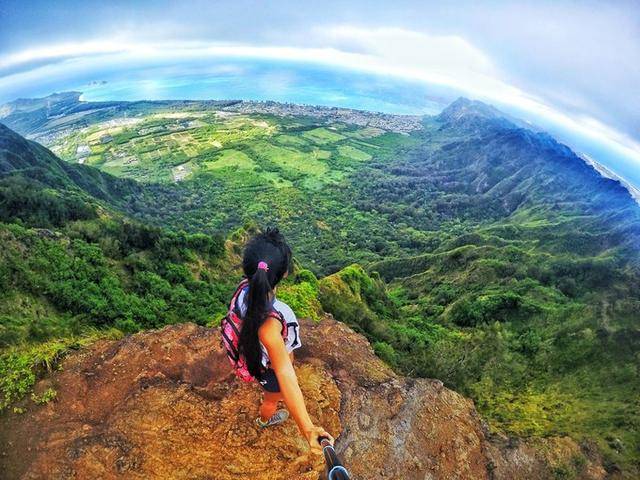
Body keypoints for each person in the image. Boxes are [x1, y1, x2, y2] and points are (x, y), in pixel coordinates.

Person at [232, 227, 333, 454]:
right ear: (284, 273)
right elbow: (285, 371)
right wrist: (308, 429)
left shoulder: (241, 292)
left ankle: (264, 418)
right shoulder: (277, 319)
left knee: (271, 395)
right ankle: (263, 421)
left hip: (250, 357)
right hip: (269, 369)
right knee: (271, 400)